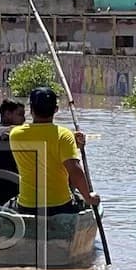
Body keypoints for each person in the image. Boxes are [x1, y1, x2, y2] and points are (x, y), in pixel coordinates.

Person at [9, 87, 99, 215]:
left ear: (31, 110)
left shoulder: (15, 135)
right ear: (56, 110)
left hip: (27, 205)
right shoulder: (64, 135)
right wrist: (89, 198)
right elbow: (75, 171)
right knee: (82, 200)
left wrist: (72, 143)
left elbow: (43, 143)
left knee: (8, 204)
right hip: (60, 206)